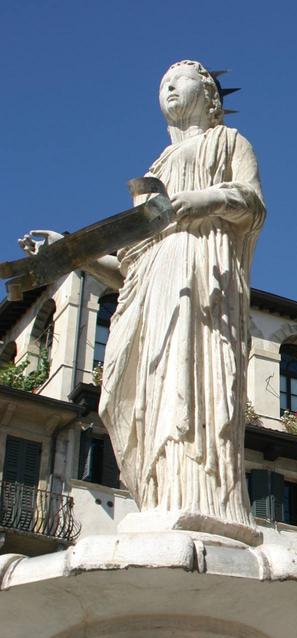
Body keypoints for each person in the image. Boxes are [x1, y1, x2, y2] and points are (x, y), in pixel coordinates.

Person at [21, 60, 265, 535]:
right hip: (149, 290)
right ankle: (159, 495)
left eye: (181, 78)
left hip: (200, 272)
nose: (168, 86)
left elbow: (253, 202)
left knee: (193, 381)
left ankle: (208, 499)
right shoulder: (154, 169)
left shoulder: (230, 142)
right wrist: (72, 254)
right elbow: (128, 264)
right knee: (144, 392)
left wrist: (204, 201)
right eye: (161, 82)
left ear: (211, 95)